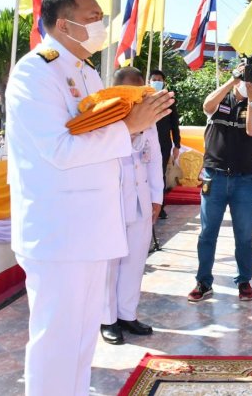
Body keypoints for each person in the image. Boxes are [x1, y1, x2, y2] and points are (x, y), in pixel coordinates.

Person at [6, 0, 173, 395]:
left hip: (91, 228)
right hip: (58, 231)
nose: (101, 25)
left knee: (81, 342)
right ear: (64, 25)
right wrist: (129, 128)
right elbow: (58, 149)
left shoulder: (86, 74)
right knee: (56, 341)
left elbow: (101, 139)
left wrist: (135, 120)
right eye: (92, 18)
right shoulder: (35, 72)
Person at [101, 67, 164, 346]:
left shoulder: (147, 119)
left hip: (140, 199)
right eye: (132, 91)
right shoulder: (105, 117)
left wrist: (156, 197)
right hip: (112, 202)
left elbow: (155, 159)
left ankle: (127, 313)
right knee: (109, 264)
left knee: (135, 260)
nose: (138, 98)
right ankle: (107, 318)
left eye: (141, 92)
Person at [188, 63, 252, 303]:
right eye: (243, 75)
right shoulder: (221, 100)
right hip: (214, 175)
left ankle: (244, 281)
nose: (245, 79)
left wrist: (251, 98)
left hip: (243, 179)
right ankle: (203, 282)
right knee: (208, 232)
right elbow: (207, 105)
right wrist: (232, 80)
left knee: (245, 235)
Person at [149, 69, 181, 219]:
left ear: (163, 82)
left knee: (159, 174)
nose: (156, 81)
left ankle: (160, 206)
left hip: (163, 144)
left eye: (159, 79)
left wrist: (177, 144)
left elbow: (175, 124)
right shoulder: (143, 98)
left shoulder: (169, 101)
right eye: (153, 79)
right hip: (146, 143)